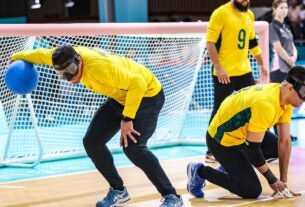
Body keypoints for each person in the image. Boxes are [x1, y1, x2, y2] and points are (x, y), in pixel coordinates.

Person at [11, 45, 183, 207]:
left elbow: (137, 83)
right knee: (92, 142)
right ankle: (118, 190)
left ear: (78, 60)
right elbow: (38, 55)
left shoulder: (100, 68)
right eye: (62, 74)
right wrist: (15, 58)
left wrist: (127, 118)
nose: (68, 77)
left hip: (146, 96)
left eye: (70, 71)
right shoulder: (61, 57)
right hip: (120, 97)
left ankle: (172, 196)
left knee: (134, 148)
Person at [186, 65, 305, 199]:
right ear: (290, 87)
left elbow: (284, 142)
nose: (303, 100)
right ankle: (200, 171)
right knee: (251, 190)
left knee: (277, 149)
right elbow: (252, 151)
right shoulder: (266, 104)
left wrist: (283, 181)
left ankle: (229, 169)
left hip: (242, 133)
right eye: (303, 95)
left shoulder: (285, 99)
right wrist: (272, 180)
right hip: (221, 140)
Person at [205, 0, 268, 162]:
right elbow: (210, 42)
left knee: (254, 106)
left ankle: (256, 147)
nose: (245, 1)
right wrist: (218, 67)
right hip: (224, 73)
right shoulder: (221, 13)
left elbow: (252, 42)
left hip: (244, 71)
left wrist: (261, 63)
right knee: (220, 109)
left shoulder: (249, 15)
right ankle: (211, 150)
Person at [270, 0, 299, 141]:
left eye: (286, 7)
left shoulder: (286, 27)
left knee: (288, 103)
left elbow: (292, 45)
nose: (284, 10)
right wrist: (289, 60)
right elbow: (278, 48)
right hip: (278, 69)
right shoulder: (272, 27)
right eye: (281, 7)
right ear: (275, 9)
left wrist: (294, 56)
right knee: (279, 102)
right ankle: (276, 135)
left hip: (289, 67)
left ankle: (285, 133)